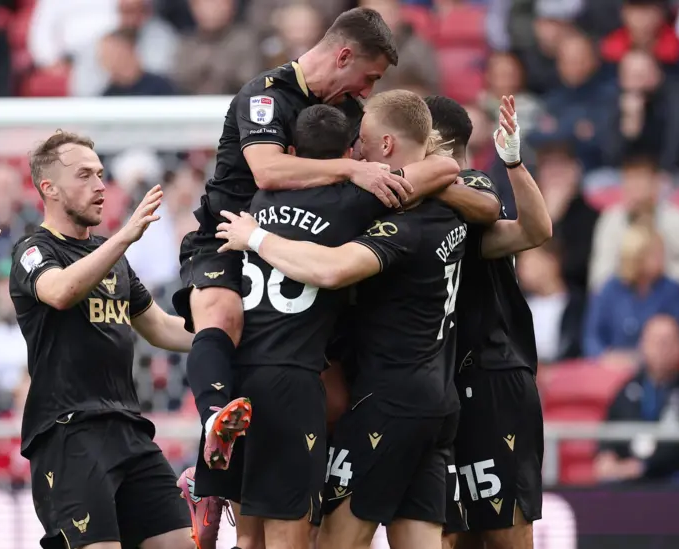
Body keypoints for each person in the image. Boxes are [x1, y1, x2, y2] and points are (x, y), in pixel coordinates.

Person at [173, 6, 460, 481]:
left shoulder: (352, 113)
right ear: (343, 55)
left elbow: (429, 164)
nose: (368, 91)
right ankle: (210, 455)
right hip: (229, 235)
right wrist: (351, 169)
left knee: (332, 391)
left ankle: (308, 482)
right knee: (224, 317)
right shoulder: (264, 96)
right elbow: (267, 170)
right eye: (367, 77)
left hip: (307, 249)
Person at [217, 90, 465, 549]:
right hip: (426, 396)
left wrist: (255, 235)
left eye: (366, 142)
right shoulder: (416, 211)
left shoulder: (260, 202)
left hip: (358, 396)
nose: (361, 153)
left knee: (297, 541)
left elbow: (328, 267)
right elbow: (449, 171)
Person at [181, 104, 394, 549]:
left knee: (248, 540)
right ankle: (206, 487)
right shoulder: (353, 205)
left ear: (293, 151)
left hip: (238, 382)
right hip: (292, 384)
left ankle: (205, 485)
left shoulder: (256, 204)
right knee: (289, 539)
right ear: (350, 153)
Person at [10, 131, 196, 549]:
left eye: (100, 173)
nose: (99, 185)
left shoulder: (113, 258)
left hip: (129, 430)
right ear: (49, 188)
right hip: (70, 433)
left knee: (183, 543)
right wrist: (124, 236)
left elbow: (161, 327)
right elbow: (59, 292)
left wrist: (228, 338)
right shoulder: (32, 250)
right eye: (84, 175)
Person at [425, 95, 551, 549]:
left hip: (491, 378)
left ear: (433, 141)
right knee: (447, 535)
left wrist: (513, 164)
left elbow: (535, 231)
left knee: (504, 536)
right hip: (437, 386)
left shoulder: (472, 184)